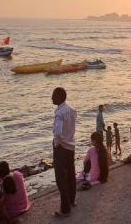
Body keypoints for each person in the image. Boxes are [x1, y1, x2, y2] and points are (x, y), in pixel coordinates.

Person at [52, 87, 77, 218]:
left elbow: (57, 132)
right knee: (71, 175)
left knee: (61, 178)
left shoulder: (60, 113)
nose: (51, 98)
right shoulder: (72, 110)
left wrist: (57, 144)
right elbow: (72, 128)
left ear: (59, 97)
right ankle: (72, 200)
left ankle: (65, 209)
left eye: (53, 96)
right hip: (71, 146)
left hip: (61, 148)